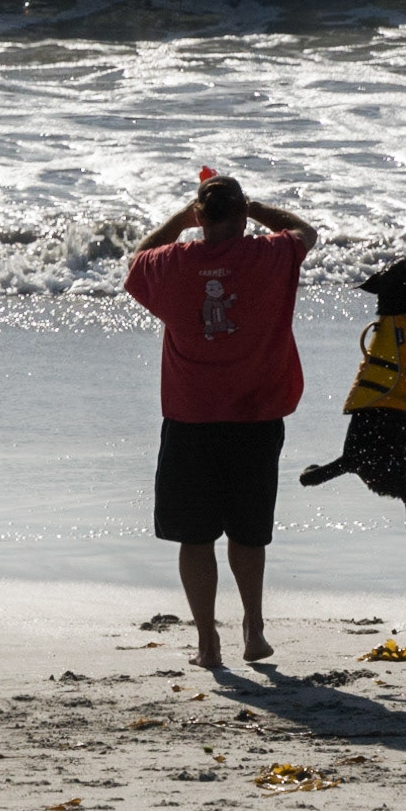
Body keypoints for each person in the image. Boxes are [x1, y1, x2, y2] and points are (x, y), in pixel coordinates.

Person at [124, 171, 317, 668]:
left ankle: (208, 641)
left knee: (196, 534)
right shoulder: (267, 255)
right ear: (239, 214)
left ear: (200, 218)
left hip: (191, 416)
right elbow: (305, 232)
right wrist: (257, 209)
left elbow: (137, 260)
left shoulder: (175, 262)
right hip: (256, 413)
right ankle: (253, 628)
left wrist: (179, 220)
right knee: (248, 532)